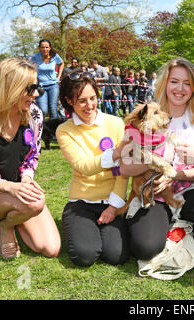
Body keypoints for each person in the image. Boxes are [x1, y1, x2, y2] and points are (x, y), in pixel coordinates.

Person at [120, 57, 194, 263]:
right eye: (174, 81)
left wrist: (177, 173)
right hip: (153, 192)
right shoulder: (145, 116)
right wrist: (160, 162)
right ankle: (159, 224)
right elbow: (125, 169)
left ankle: (186, 225)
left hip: (187, 191)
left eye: (187, 83)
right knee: (145, 248)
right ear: (165, 84)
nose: (180, 88)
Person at [0, 57, 61, 259]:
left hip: (18, 188)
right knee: (36, 203)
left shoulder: (34, 115)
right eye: (30, 88)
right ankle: (6, 226)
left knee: (51, 249)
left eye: (37, 86)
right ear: (10, 88)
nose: (36, 94)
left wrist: (26, 178)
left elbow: (33, 155)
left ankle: (11, 219)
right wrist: (10, 187)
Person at [56, 70, 130, 267]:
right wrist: (115, 153)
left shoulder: (115, 123)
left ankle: (101, 228)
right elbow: (83, 166)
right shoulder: (64, 130)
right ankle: (77, 226)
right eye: (81, 101)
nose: (89, 106)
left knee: (117, 256)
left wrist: (113, 207)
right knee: (85, 256)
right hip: (82, 203)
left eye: (93, 98)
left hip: (113, 202)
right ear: (69, 101)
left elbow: (123, 173)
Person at [31, 39, 64, 119]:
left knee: (53, 110)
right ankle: (41, 129)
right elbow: (31, 69)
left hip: (53, 85)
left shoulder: (55, 56)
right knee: (43, 110)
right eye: (42, 47)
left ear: (50, 48)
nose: (44, 49)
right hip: (41, 86)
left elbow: (61, 63)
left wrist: (58, 77)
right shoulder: (35, 57)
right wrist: (34, 80)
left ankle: (55, 129)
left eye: (46, 47)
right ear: (39, 48)